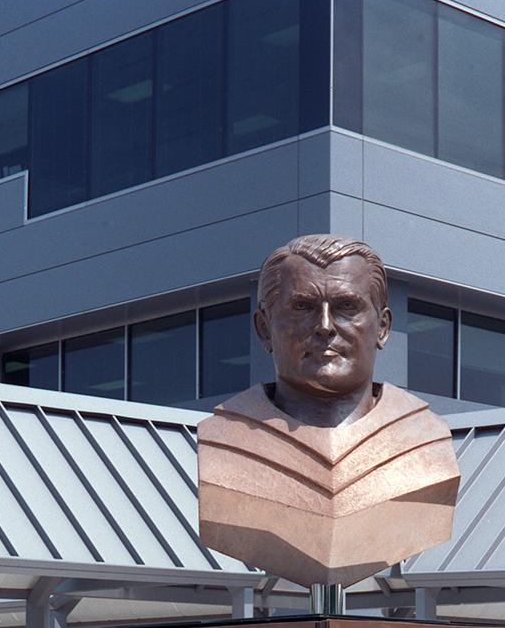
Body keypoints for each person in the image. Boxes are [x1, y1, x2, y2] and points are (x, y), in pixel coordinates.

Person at [197, 235, 459, 588]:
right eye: (302, 307)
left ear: (382, 327)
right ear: (264, 329)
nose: (324, 326)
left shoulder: (428, 443)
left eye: (346, 306)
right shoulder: (221, 440)